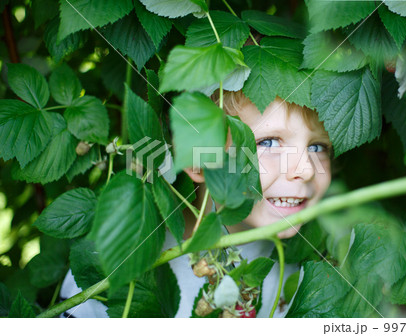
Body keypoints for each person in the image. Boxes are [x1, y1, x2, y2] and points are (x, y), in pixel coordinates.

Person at [60, 90, 333, 318]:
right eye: (269, 142)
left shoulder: (308, 275)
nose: (307, 169)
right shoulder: (113, 262)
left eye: (317, 147)